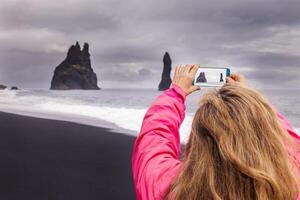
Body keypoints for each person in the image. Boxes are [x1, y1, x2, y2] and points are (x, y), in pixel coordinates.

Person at [132, 64, 300, 200]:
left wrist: (176, 94)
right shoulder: (291, 183)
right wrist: (251, 103)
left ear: (198, 140)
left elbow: (154, 138)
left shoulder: (170, 188)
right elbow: (291, 143)